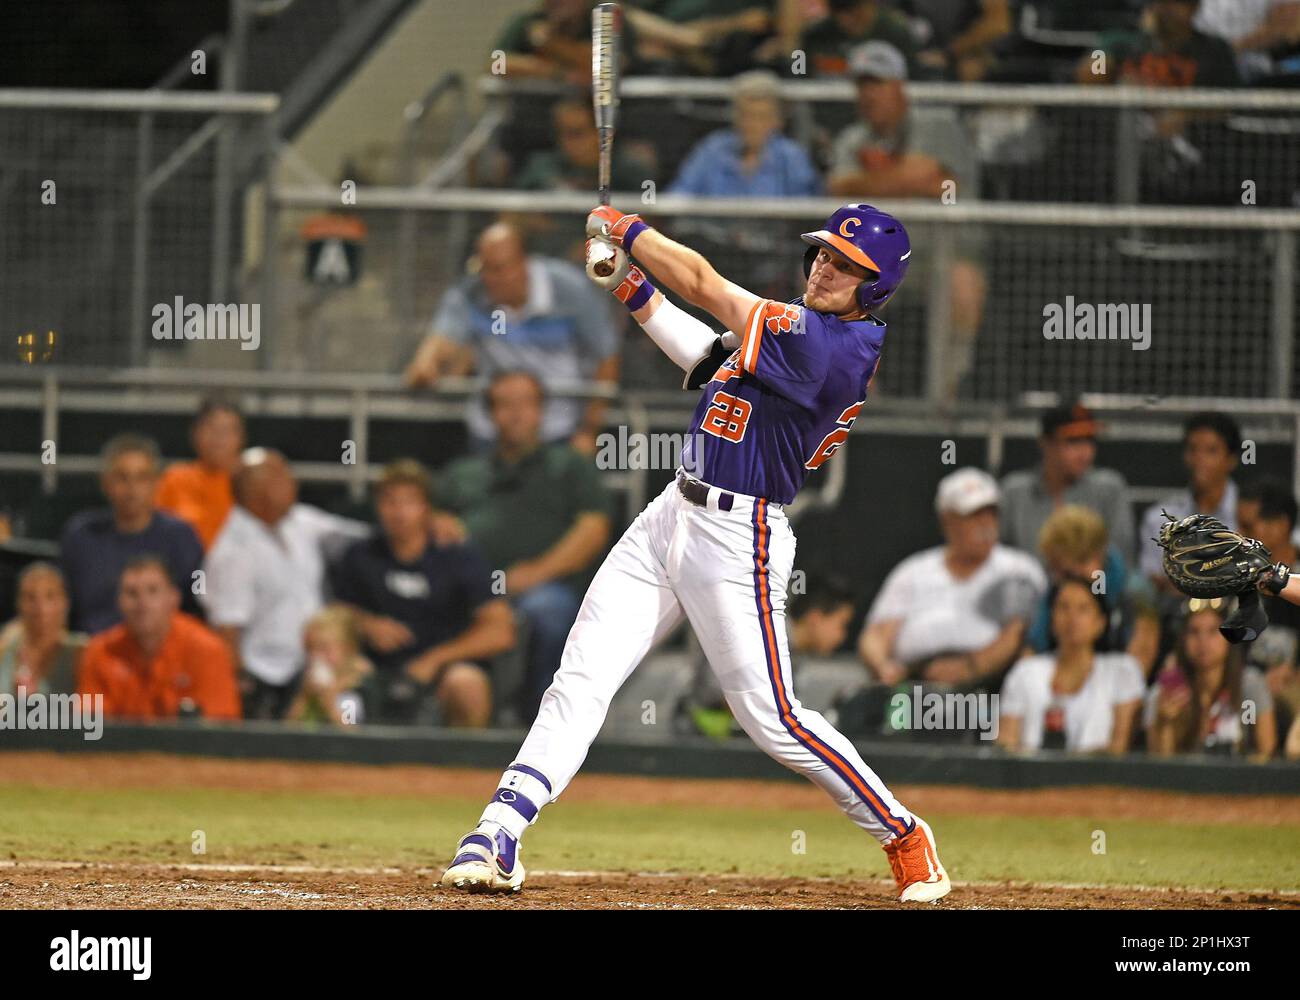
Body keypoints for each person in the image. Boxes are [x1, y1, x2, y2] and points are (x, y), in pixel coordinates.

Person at [439, 201, 953, 904]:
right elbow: (702, 352)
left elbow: (708, 285)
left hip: (741, 536)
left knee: (772, 717)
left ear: (875, 286)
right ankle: (498, 830)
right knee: (581, 676)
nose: (826, 268)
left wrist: (628, 230)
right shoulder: (795, 333)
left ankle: (902, 832)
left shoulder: (830, 345)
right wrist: (629, 284)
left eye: (846, 264)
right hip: (671, 513)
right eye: (824, 254)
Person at [437, 374, 611, 721]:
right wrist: (439, 525)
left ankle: (540, 722)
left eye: (526, 404)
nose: (516, 414)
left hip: (548, 587)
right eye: (505, 404)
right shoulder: (463, 471)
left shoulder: (569, 465)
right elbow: (433, 523)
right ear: (490, 414)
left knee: (548, 612)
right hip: (473, 591)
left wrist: (535, 574)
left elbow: (594, 529)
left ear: (540, 412)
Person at [826, 41, 985, 402]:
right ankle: (858, 397)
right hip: (872, 263)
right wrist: (908, 178)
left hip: (937, 257)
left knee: (963, 284)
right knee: (824, 279)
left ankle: (946, 396)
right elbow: (839, 190)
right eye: (862, 86)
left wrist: (876, 185)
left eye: (877, 84)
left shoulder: (939, 126)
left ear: (899, 87)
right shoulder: (852, 139)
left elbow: (940, 181)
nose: (869, 94)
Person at [403, 222, 620, 455]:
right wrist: (425, 365)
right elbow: (439, 344)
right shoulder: (469, 293)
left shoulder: (571, 290)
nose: (492, 278)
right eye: (485, 269)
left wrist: (588, 431)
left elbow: (607, 358)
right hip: (490, 434)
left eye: (501, 268)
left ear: (524, 262)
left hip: (560, 431)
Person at [330, 460, 515, 727]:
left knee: (466, 683)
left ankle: (466, 763)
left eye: (409, 503)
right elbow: (335, 614)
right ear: (377, 507)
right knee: (331, 673)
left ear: (427, 508)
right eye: (389, 502)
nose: (399, 512)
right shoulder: (361, 555)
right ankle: (337, 759)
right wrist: (366, 624)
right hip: (375, 669)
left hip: (442, 672)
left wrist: (435, 659)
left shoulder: (458, 556)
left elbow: (501, 631)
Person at [201, 449, 371, 721]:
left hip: (316, 664)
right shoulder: (231, 552)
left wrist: (428, 526)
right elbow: (226, 634)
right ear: (260, 491)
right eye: (283, 477)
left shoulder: (300, 521)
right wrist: (244, 691)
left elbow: (361, 537)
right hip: (269, 680)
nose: (293, 483)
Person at [859, 468, 1046, 689]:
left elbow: (1018, 636)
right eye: (974, 516)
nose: (986, 525)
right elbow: (876, 635)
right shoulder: (912, 572)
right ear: (947, 521)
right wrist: (883, 667)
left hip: (991, 690)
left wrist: (968, 668)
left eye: (991, 514)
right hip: (914, 687)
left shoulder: (1019, 569)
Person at [680, 574, 858, 740]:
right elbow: (721, 692)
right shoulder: (765, 633)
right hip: (701, 731)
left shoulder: (792, 650)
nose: (842, 636)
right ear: (815, 618)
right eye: (842, 624)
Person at [60, 434, 204, 635]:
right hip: (90, 652)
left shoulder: (183, 537)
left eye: (142, 478)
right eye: (122, 478)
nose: (132, 489)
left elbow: (199, 603)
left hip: (162, 654)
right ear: (105, 483)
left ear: (156, 483)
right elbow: (60, 604)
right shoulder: (80, 536)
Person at [77, 555, 240, 721]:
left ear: (174, 598)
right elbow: (90, 726)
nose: (142, 603)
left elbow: (221, 729)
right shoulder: (101, 651)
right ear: (119, 602)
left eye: (153, 591)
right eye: (132, 593)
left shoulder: (207, 651)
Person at [999, 577, 1145, 754]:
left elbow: (1119, 748)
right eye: (1063, 607)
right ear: (1051, 619)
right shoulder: (1025, 672)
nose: (1072, 618)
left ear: (1100, 622)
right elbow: (1006, 744)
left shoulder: (1123, 671)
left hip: (1100, 778)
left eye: (1083, 609)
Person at [1027, 505, 1160, 677]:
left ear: (1093, 559)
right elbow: (1034, 649)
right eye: (1056, 572)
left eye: (1067, 572)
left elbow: (1140, 662)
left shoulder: (1136, 593)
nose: (1062, 581)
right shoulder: (1056, 592)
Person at [1000, 402, 1134, 568]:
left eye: (1089, 440)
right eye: (1073, 441)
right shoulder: (1014, 492)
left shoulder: (1109, 489)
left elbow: (1119, 562)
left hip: (1093, 590)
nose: (1085, 452)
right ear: (1045, 443)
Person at [1145, 600, 1277, 759]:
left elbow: (1266, 751)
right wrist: (1165, 724)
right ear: (1183, 640)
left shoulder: (1250, 684)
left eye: (1213, 631)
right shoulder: (1166, 691)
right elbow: (1161, 768)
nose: (1203, 641)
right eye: (1194, 632)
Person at [668, 70, 821, 198]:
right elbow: (678, 197)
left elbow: (804, 214)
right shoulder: (712, 149)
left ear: (777, 121)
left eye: (762, 117)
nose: (753, 125)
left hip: (774, 234)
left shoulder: (792, 157)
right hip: (712, 232)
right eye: (746, 115)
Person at [1138, 411, 1241, 593]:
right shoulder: (1158, 519)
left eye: (1211, 451)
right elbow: (1151, 578)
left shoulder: (1249, 514)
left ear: (1231, 460)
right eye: (1193, 449)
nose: (1199, 459)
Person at [154, 395, 245, 550]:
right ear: (195, 433)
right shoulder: (174, 479)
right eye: (212, 428)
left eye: (228, 430)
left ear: (241, 437)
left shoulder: (250, 482)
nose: (219, 438)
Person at [1079, 0, 1241, 87]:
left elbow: (1227, 105)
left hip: (1188, 139)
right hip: (1123, 135)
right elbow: (1091, 72)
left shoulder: (1214, 49)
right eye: (1163, 2)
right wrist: (1145, 39)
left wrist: (1185, 113)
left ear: (1195, 8)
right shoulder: (1117, 39)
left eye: (1178, 3)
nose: (1168, 8)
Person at [0, 562, 85, 696]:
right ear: (18, 603)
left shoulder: (80, 653)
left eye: (50, 596)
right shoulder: (6, 648)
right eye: (30, 597)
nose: (40, 608)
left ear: (65, 602)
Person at [285, 607, 374, 727]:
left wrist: (329, 700)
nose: (315, 656)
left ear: (348, 648)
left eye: (324, 648)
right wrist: (304, 697)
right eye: (309, 648)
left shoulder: (359, 688)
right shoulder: (302, 681)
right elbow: (288, 731)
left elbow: (352, 735)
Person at [799, 0, 919, 77]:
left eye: (854, 11)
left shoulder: (895, 33)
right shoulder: (815, 35)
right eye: (839, 11)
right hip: (827, 110)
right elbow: (797, 73)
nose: (846, 20)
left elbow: (914, 76)